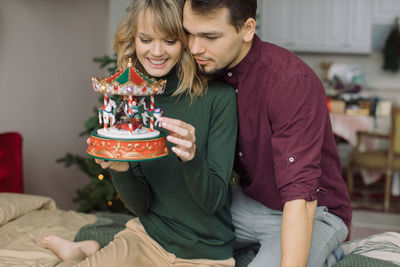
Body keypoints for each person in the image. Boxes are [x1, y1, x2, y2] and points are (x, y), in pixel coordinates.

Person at [37, 0, 237, 266]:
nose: (156, 51)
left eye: (169, 40)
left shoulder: (219, 99)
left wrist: (192, 157)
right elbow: (141, 206)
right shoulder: (130, 103)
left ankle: (83, 249)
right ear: (134, 40)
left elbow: (214, 202)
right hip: (148, 238)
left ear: (186, 42)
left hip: (205, 252)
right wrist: (121, 169)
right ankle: (80, 252)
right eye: (146, 39)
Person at [182, 0, 352, 267]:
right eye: (189, 33)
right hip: (248, 201)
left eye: (210, 36)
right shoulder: (207, 67)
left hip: (315, 210)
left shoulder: (290, 82)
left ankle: (324, 252)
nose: (194, 48)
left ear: (248, 29)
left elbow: (301, 195)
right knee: (173, 242)